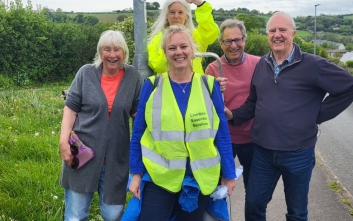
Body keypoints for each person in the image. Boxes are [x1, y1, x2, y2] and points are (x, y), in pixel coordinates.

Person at [225, 11, 353, 221]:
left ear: (293, 33)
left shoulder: (313, 65)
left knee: (296, 213)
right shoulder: (262, 64)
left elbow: (351, 86)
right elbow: (254, 103)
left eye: (282, 30)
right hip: (262, 152)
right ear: (267, 34)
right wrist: (232, 115)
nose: (277, 35)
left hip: (297, 153)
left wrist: (315, 115)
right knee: (253, 206)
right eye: (272, 30)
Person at [129, 25, 236, 221]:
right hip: (160, 178)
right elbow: (138, 133)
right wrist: (136, 174)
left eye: (184, 46)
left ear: (193, 50)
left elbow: (221, 133)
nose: (178, 52)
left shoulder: (209, 85)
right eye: (172, 48)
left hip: (199, 179)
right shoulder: (152, 86)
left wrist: (229, 174)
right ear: (165, 53)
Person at [59, 30, 142, 221]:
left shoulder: (132, 77)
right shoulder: (86, 73)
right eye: (107, 49)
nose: (112, 55)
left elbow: (137, 113)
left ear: (124, 52)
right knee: (76, 216)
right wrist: (64, 142)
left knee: (113, 215)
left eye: (117, 49)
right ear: (100, 52)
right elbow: (70, 109)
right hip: (81, 153)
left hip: (116, 158)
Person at [205, 19, 260, 190]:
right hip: (223, 139)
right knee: (218, 188)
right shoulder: (213, 69)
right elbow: (206, 106)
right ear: (221, 44)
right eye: (228, 41)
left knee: (255, 192)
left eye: (238, 40)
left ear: (244, 40)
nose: (233, 45)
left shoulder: (259, 64)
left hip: (254, 139)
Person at [147, 0, 219, 75]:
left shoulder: (195, 36)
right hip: (168, 86)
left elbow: (212, 32)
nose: (176, 16)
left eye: (180, 12)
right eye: (172, 12)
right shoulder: (157, 38)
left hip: (196, 86)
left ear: (187, 15)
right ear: (166, 15)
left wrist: (200, 5)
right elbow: (158, 66)